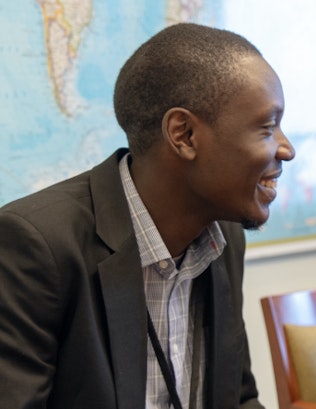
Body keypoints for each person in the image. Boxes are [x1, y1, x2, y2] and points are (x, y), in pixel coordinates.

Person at [0, 23, 295, 408]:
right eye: (267, 127)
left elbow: (237, 398)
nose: (286, 148)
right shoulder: (37, 246)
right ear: (184, 134)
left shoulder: (224, 236)